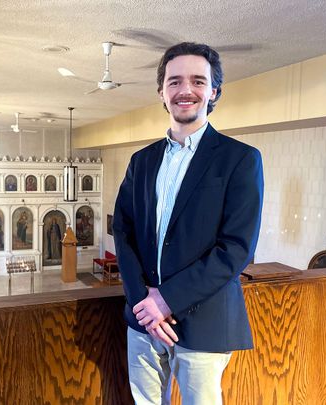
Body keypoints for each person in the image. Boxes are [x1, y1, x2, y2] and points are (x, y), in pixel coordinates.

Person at [112, 42, 264, 404]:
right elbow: (123, 230)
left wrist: (166, 300)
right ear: (162, 92)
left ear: (214, 92)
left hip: (205, 318)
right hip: (144, 320)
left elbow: (236, 249)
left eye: (198, 81)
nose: (185, 90)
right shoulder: (141, 161)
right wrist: (144, 305)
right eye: (175, 81)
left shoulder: (240, 159)